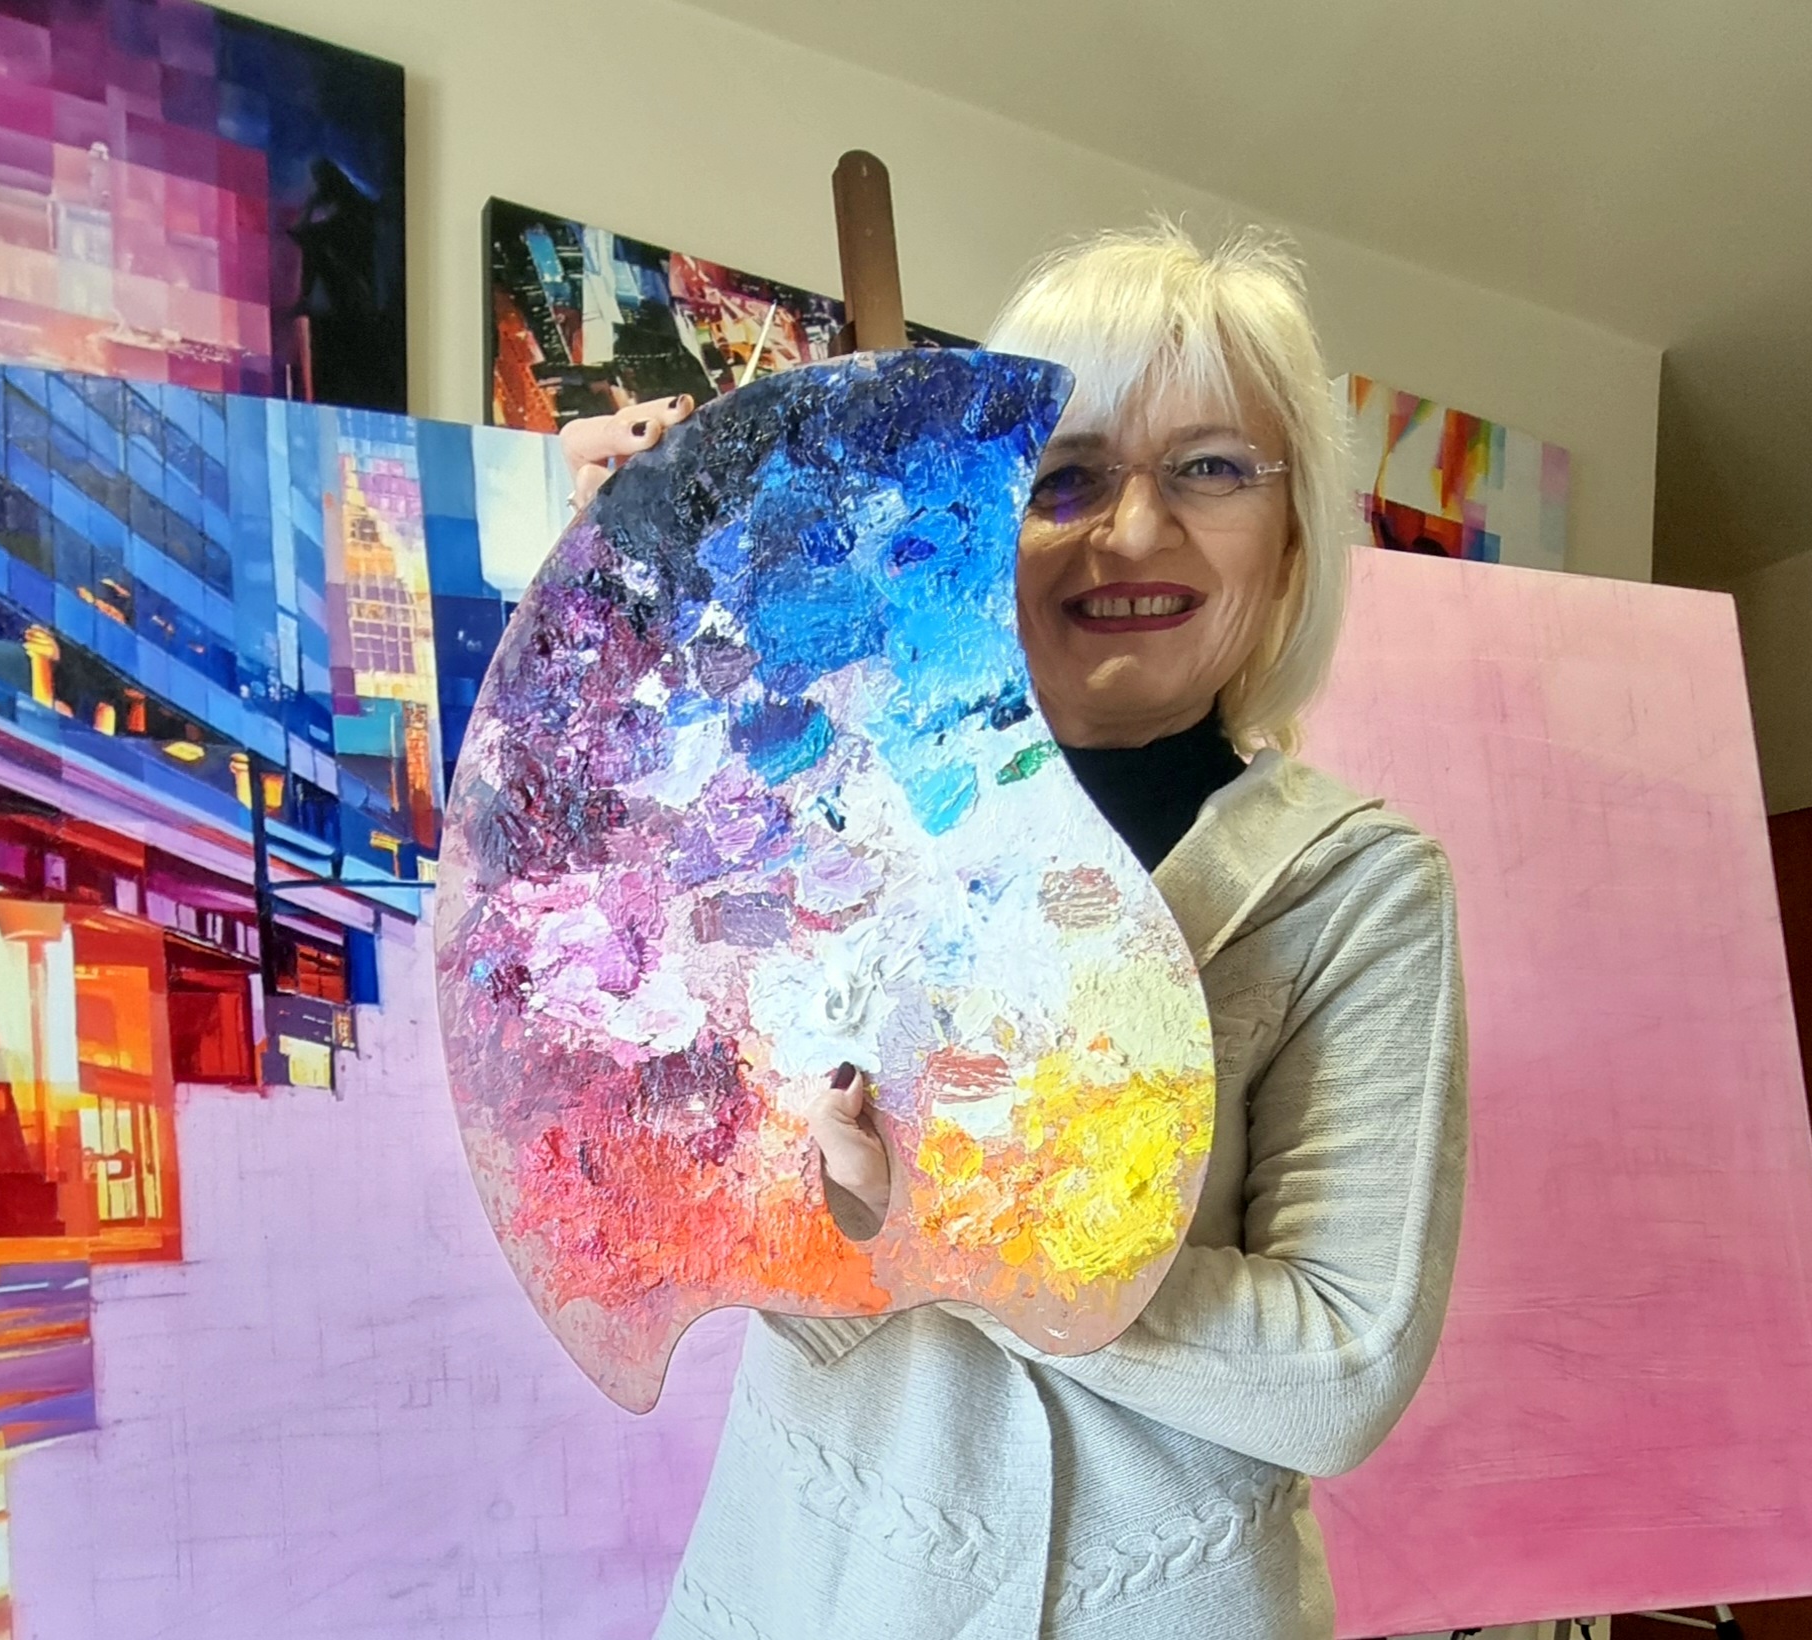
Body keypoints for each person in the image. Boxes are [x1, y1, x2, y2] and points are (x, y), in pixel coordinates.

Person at [563, 223, 1469, 1640]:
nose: (1136, 532)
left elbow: (1337, 1371)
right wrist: (646, 628)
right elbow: (652, 1156)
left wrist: (944, 1218)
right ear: (979, 510)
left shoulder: (1352, 888)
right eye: (1064, 476)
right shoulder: (828, 806)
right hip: (812, 1581)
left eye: (1211, 469)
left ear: (1292, 531)